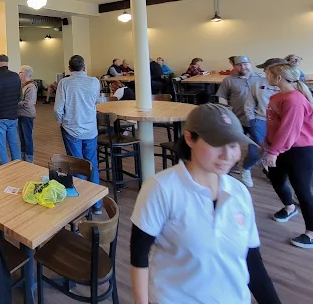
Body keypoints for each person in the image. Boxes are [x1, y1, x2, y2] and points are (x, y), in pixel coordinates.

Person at [130, 104, 280, 304]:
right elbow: (139, 254)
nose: (227, 155)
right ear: (189, 138)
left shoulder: (239, 192)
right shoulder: (161, 189)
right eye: (217, 144)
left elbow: (252, 262)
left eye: (233, 145)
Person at [262, 63, 313, 249]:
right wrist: (267, 141)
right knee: (276, 179)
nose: (265, 76)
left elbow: (289, 130)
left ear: (278, 78)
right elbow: (275, 124)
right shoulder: (277, 96)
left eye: (268, 74)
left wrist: (273, 151)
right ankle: (290, 208)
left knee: (302, 190)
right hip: (281, 147)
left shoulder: (294, 100)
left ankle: (311, 233)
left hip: (299, 150)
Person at [54, 55, 102, 213]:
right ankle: (97, 204)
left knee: (76, 164)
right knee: (92, 163)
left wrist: (62, 121)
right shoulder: (94, 82)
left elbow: (58, 109)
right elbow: (95, 100)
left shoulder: (64, 83)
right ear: (84, 66)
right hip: (90, 129)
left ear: (69, 68)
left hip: (71, 128)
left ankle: (81, 203)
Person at [241, 58, 286, 187]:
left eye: (266, 69)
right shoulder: (258, 83)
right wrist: (252, 120)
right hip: (260, 120)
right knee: (256, 151)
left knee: (279, 150)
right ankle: (246, 168)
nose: (264, 71)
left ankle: (273, 172)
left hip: (282, 122)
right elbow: (249, 104)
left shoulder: (287, 83)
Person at [216, 56, 261, 136]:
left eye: (245, 64)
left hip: (258, 119)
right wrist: (227, 115)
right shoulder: (228, 80)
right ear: (234, 66)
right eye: (239, 65)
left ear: (250, 64)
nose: (243, 67)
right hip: (238, 119)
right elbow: (222, 97)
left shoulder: (260, 78)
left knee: (258, 141)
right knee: (236, 140)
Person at [18, 65, 37, 163]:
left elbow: (28, 103)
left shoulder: (31, 87)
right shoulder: (24, 85)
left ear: (25, 74)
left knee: (27, 138)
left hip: (27, 115)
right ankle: (23, 157)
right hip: (21, 114)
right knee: (22, 138)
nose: (19, 74)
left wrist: (15, 103)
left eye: (20, 72)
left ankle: (29, 159)